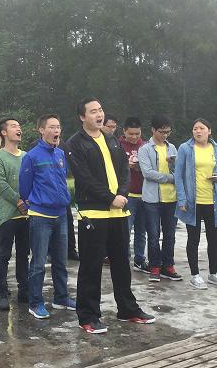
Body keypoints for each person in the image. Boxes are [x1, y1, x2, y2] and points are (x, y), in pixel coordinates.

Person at [66, 98, 154, 334]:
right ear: (82, 117)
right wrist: (109, 198)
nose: (99, 115)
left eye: (100, 110)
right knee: (91, 266)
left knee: (122, 263)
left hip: (118, 210)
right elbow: (84, 178)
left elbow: (124, 169)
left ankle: (127, 309)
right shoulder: (75, 143)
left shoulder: (110, 138)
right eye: (93, 111)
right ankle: (88, 316)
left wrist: (122, 193)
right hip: (94, 213)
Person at [19, 114, 74, 320]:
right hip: (41, 216)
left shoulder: (60, 154)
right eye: (51, 127)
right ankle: (35, 302)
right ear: (41, 130)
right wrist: (36, 202)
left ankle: (61, 297)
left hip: (61, 215)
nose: (56, 130)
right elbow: (24, 188)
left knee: (61, 260)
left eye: (58, 127)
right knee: (39, 263)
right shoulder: (31, 156)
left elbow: (63, 180)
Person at [174, 118, 217, 290]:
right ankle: (195, 275)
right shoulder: (185, 148)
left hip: (212, 201)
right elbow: (178, 175)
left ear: (209, 131)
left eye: (201, 128)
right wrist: (181, 199)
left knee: (213, 238)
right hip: (193, 201)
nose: (198, 131)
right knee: (193, 238)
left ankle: (213, 273)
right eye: (195, 128)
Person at [0, 118, 28, 311]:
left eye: (19, 126)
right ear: (4, 132)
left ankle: (24, 290)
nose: (18, 129)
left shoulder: (26, 156)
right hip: (7, 215)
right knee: (4, 254)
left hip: (26, 214)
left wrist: (28, 202)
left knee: (23, 254)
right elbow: (0, 184)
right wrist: (18, 201)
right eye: (13, 126)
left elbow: (32, 181)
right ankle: (2, 292)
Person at [138, 115, 182, 282]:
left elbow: (179, 170)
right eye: (162, 132)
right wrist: (171, 178)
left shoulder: (172, 148)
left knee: (170, 235)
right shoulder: (145, 149)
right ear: (153, 130)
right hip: (152, 199)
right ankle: (155, 266)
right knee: (153, 234)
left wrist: (173, 165)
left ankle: (168, 265)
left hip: (171, 198)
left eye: (167, 132)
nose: (165, 135)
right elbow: (148, 173)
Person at [119, 117, 148, 273]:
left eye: (137, 134)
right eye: (131, 134)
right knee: (125, 230)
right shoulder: (117, 145)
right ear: (124, 131)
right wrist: (126, 165)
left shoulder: (145, 146)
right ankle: (123, 259)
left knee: (141, 231)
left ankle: (139, 259)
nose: (134, 137)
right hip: (127, 195)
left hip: (144, 194)